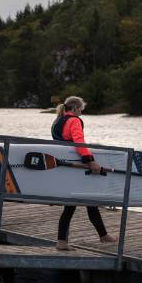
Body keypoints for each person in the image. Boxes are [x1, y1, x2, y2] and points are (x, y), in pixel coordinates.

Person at [52, 95, 117, 251]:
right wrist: (91, 160)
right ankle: (62, 242)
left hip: (64, 165)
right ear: (75, 109)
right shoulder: (74, 121)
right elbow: (79, 142)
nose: (81, 112)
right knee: (73, 204)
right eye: (80, 109)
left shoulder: (57, 121)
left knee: (88, 200)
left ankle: (103, 235)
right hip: (75, 166)